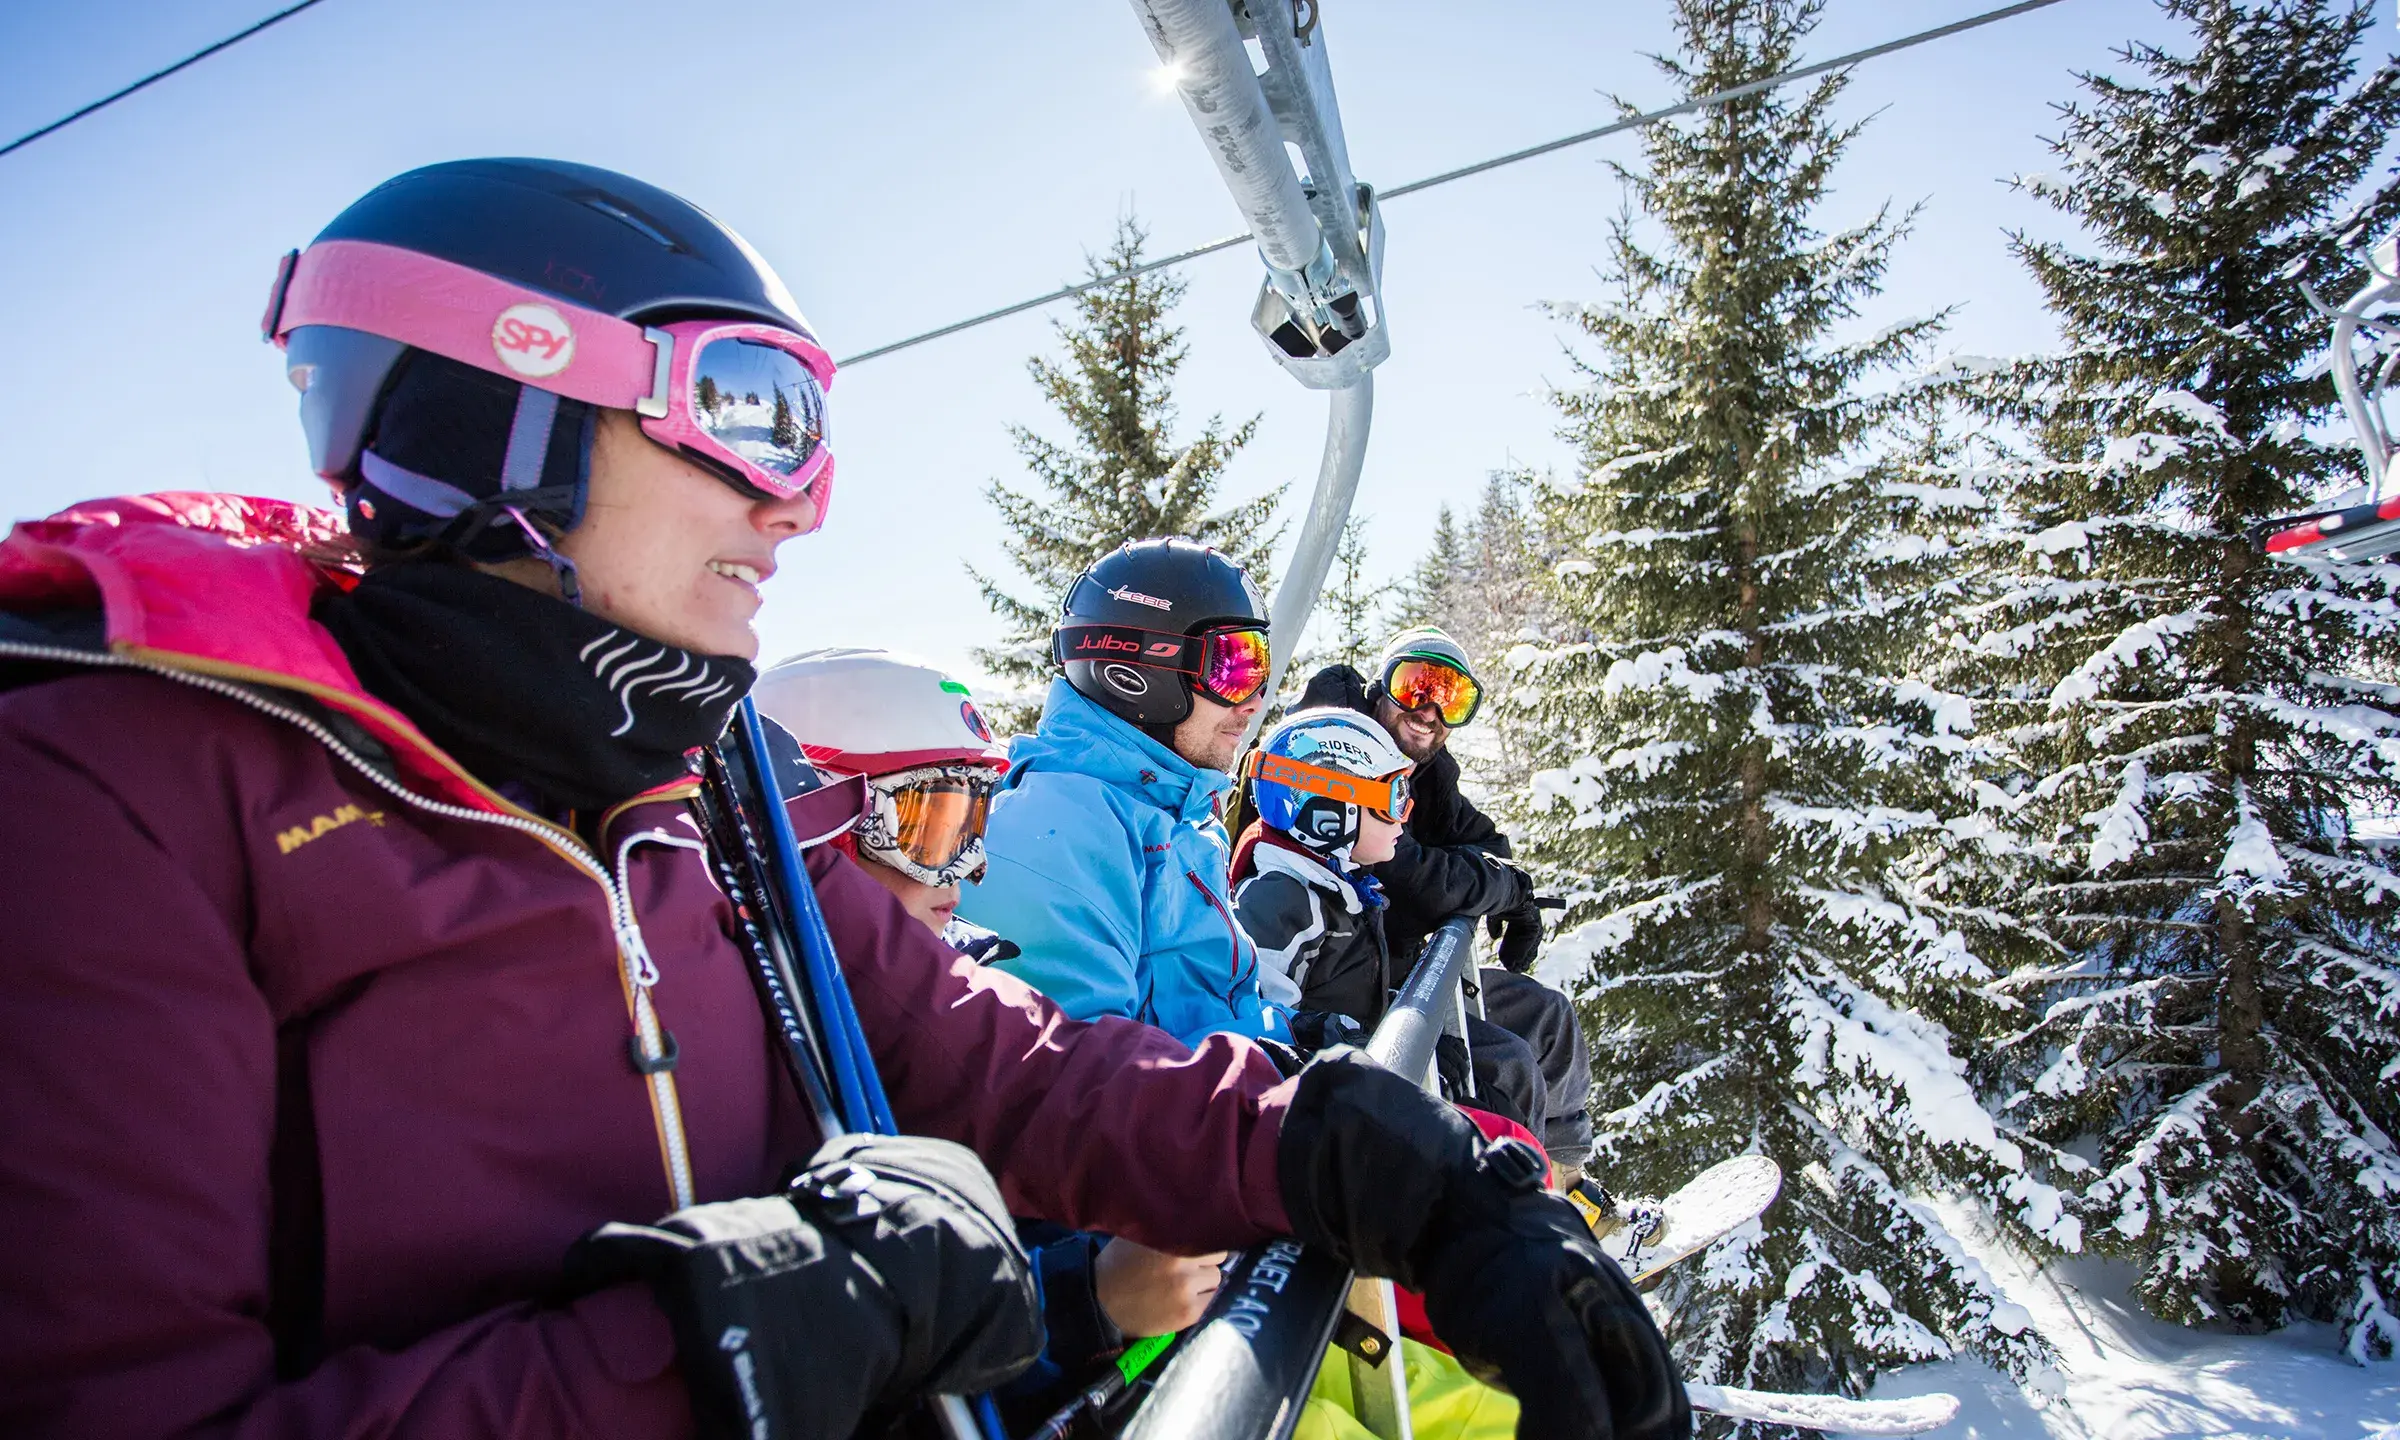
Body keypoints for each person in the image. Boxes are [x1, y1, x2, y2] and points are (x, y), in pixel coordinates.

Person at [0, 157, 1685, 1440]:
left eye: (812, 436)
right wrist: (720, 1343)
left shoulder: (700, 794)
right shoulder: (126, 790)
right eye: (746, 416)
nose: (796, 506)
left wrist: (1397, 1170)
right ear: (506, 409)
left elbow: (1013, 1065)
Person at [753, 648, 1224, 1418]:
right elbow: (847, 1359)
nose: (967, 872)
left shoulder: (960, 1006)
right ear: (820, 832)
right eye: (934, 825)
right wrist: (1084, 1303)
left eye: (977, 821)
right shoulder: (791, 1066)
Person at [960, 538, 1295, 1048]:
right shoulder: (1057, 831)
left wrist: (1283, 1031)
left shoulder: (1179, 815)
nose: (1254, 701)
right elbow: (1082, 1082)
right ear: (1140, 669)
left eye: (1259, 666)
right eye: (1233, 666)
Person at [1293, 627, 1597, 1179]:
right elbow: (1414, 876)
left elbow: (1484, 847)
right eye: (1415, 687)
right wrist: (1502, 889)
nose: (1430, 711)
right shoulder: (1335, 750)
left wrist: (1513, 889)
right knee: (1507, 1068)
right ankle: (1512, 1226)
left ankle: (1566, 1185)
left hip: (1394, 966)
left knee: (1548, 1018)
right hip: (1340, 983)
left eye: (1452, 698)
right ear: (1380, 686)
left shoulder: (1425, 773)